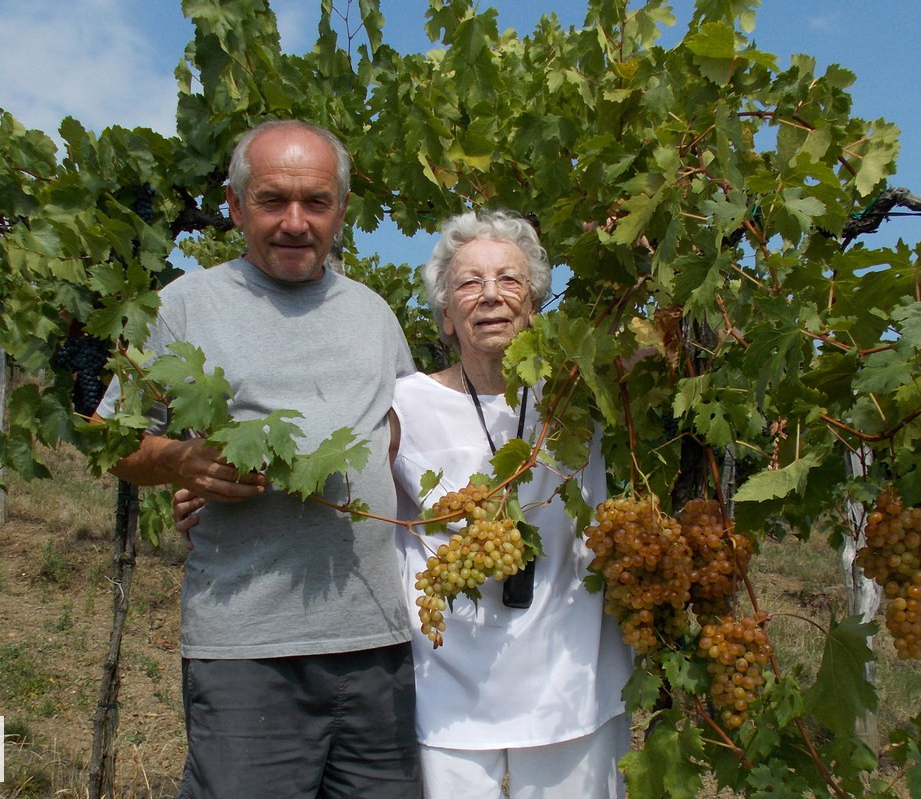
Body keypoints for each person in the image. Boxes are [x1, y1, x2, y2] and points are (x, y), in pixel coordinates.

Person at [177, 209, 632, 799]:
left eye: (510, 281)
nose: (491, 296)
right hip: (445, 692)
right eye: (469, 283)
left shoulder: (586, 396)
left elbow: (672, 366)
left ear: (536, 303)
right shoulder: (402, 405)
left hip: (572, 687)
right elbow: (325, 474)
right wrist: (205, 489)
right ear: (445, 314)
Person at [96, 119, 422, 798]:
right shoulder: (182, 307)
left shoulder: (375, 315)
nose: (296, 222)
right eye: (274, 201)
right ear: (236, 205)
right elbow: (115, 439)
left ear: (341, 209)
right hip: (249, 652)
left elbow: (403, 443)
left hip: (381, 647)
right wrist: (180, 463)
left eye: (316, 202)